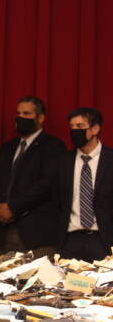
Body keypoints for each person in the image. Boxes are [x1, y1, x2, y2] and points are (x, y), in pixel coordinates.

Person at [0, 97, 66, 256]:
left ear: (40, 118)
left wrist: (13, 208)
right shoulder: (7, 148)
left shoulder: (53, 146)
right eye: (18, 113)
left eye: (26, 114)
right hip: (7, 230)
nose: (21, 117)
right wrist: (0, 207)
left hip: (38, 233)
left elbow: (46, 184)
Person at [55, 108, 113, 262]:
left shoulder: (110, 160)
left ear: (95, 129)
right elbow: (56, 201)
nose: (75, 131)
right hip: (70, 240)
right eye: (72, 127)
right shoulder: (63, 161)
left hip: (103, 240)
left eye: (80, 126)